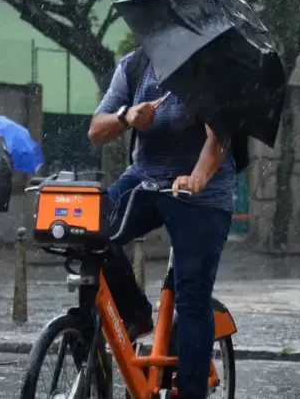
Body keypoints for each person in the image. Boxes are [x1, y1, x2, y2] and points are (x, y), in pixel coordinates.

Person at [87, 49, 234, 399]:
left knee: (192, 300)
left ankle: (192, 391)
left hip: (201, 196)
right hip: (144, 179)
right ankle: (135, 312)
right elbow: (96, 130)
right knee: (91, 231)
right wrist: (126, 117)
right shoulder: (134, 66)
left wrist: (198, 176)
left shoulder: (209, 67)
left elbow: (219, 140)